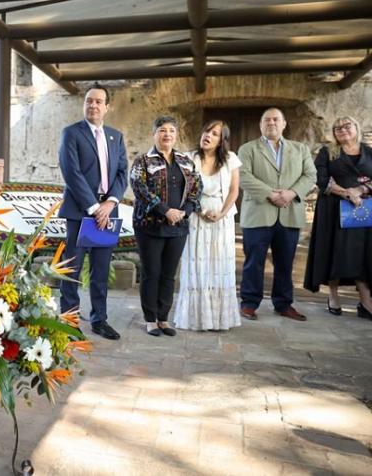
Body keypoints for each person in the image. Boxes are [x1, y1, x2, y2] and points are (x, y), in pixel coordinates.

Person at [58, 84, 128, 340]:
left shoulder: (115, 137)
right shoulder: (71, 133)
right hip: (81, 212)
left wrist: (109, 204)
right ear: (84, 104)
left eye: (99, 101)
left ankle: (99, 319)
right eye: (89, 100)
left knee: (101, 269)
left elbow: (122, 173)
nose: (93, 105)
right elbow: (71, 173)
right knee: (73, 269)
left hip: (107, 214)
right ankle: (69, 320)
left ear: (107, 107)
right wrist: (94, 207)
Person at [238, 107, 317, 321]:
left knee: (285, 262)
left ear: (284, 124)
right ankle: (249, 303)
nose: (271, 123)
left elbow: (311, 175)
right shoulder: (247, 149)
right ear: (261, 125)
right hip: (258, 213)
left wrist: (291, 193)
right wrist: (271, 195)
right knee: (254, 261)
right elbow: (243, 176)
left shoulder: (300, 149)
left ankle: (283, 304)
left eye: (275, 119)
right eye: (266, 120)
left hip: (289, 213)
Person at [130, 116, 201, 336]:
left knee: (169, 274)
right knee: (152, 273)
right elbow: (140, 189)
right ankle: (150, 319)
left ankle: (163, 318)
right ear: (155, 134)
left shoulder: (186, 161)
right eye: (162, 130)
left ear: (176, 135)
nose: (167, 134)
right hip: (150, 227)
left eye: (171, 130)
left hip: (178, 227)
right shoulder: (143, 161)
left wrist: (184, 212)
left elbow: (197, 188)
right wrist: (165, 211)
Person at [174, 120, 242, 331]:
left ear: (222, 140)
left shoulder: (230, 159)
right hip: (196, 216)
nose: (208, 136)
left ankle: (219, 319)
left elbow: (233, 191)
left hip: (221, 217)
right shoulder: (188, 157)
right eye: (206, 131)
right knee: (196, 265)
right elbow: (182, 189)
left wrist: (221, 213)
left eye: (214, 134)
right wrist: (200, 210)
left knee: (219, 265)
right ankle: (195, 318)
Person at [304, 116, 372, 321]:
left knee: (363, 255)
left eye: (346, 126)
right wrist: (347, 193)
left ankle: (365, 300)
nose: (342, 130)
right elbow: (321, 179)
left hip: (365, 210)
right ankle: (333, 296)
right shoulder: (327, 152)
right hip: (333, 210)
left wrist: (360, 190)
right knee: (335, 251)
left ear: (356, 128)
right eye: (337, 128)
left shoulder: (369, 152)